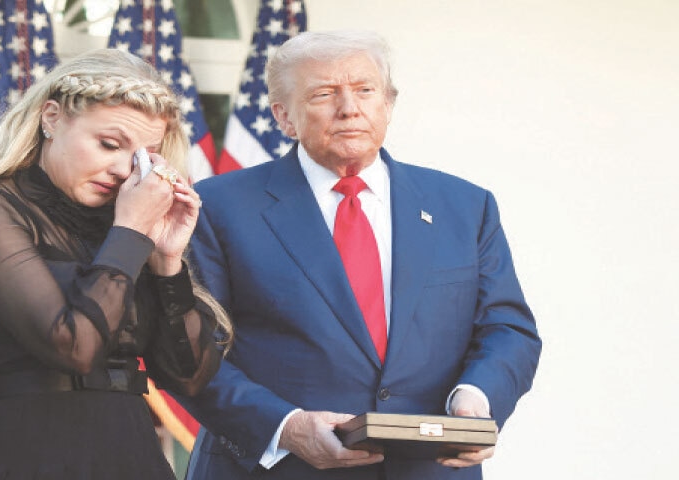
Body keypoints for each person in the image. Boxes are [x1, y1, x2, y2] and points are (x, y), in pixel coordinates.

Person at [179, 30, 541, 480]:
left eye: (365, 91)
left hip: (428, 469)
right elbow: (188, 353)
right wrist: (286, 428)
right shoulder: (216, 207)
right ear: (283, 116)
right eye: (324, 93)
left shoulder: (465, 206)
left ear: (387, 104)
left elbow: (508, 329)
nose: (349, 108)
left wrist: (475, 397)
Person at [0, 48, 231, 480]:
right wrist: (130, 230)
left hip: (136, 456)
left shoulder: (125, 225)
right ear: (51, 118)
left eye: (142, 155)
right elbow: (74, 347)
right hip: (30, 455)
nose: (121, 168)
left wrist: (167, 261)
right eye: (109, 144)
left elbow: (188, 377)